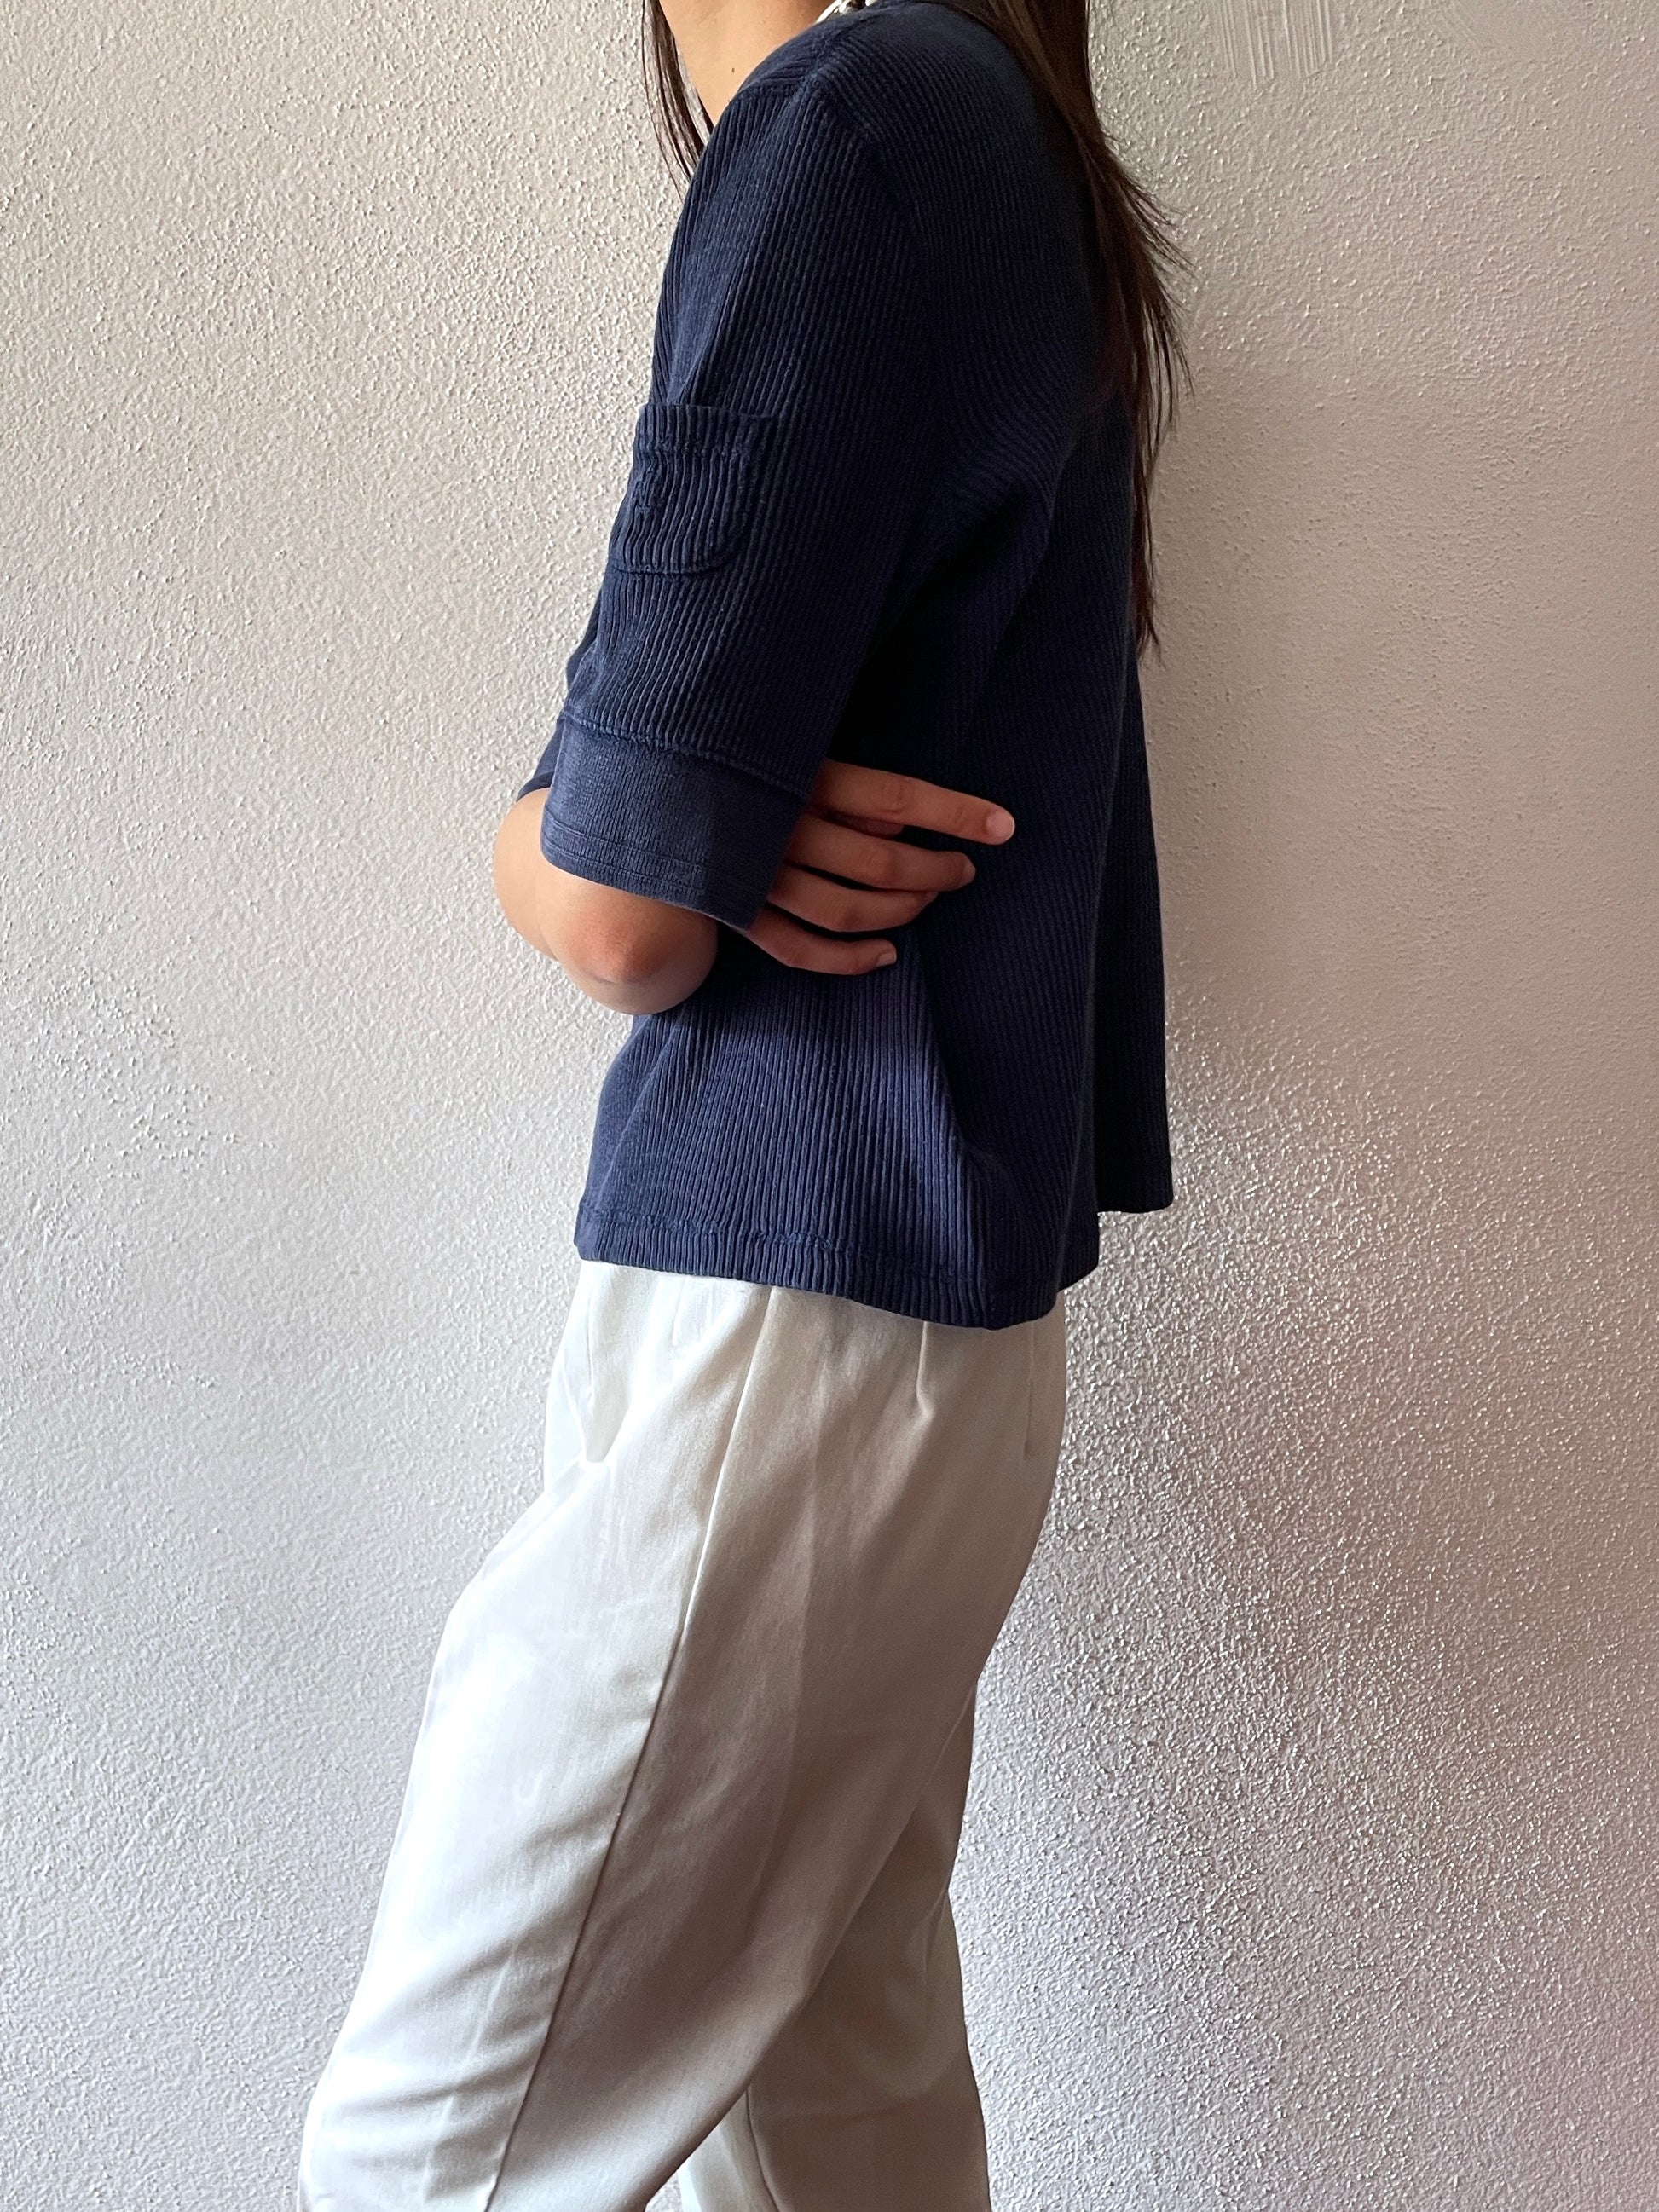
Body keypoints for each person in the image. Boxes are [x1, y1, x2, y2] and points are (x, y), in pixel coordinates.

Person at [295, 0, 1185, 2202]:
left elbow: (619, 905)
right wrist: (664, 821)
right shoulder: (972, 125)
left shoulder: (857, 128)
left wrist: (563, 833)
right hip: (904, 1331)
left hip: (792, 1312)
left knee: (425, 2156)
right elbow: (660, 852)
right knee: (839, 2133)